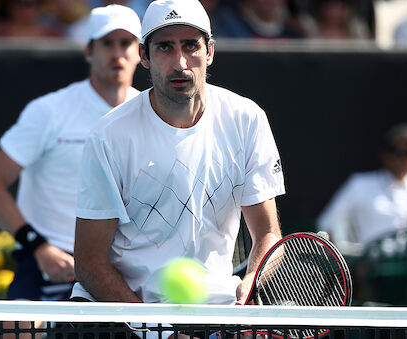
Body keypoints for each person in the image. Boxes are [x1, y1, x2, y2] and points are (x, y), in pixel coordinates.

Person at [71, 0, 285, 306]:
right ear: (144, 55)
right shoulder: (109, 136)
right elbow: (90, 263)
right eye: (165, 48)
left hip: (216, 310)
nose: (180, 63)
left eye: (190, 46)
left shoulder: (247, 119)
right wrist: (157, 329)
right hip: (128, 312)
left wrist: (253, 279)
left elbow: (267, 234)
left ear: (209, 52)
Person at [0, 3, 142, 303]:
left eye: (126, 42)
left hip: (124, 266)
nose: (117, 52)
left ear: (141, 53)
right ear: (89, 52)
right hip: (49, 263)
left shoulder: (152, 114)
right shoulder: (48, 111)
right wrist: (39, 248)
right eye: (107, 43)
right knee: (20, 332)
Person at [318, 123, 407, 256]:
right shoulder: (359, 185)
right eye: (394, 151)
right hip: (371, 269)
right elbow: (326, 225)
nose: (400, 158)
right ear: (384, 154)